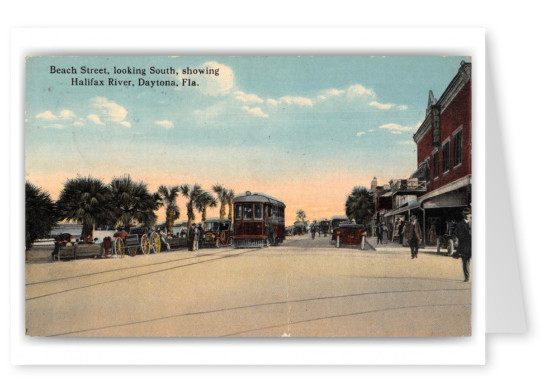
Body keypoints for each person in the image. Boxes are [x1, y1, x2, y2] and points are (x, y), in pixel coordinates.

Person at [454, 208, 472, 282]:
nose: (468, 216)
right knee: (465, 262)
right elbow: (456, 234)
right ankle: (467, 277)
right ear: (464, 215)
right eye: (467, 214)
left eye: (469, 214)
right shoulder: (460, 224)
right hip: (464, 246)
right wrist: (456, 240)